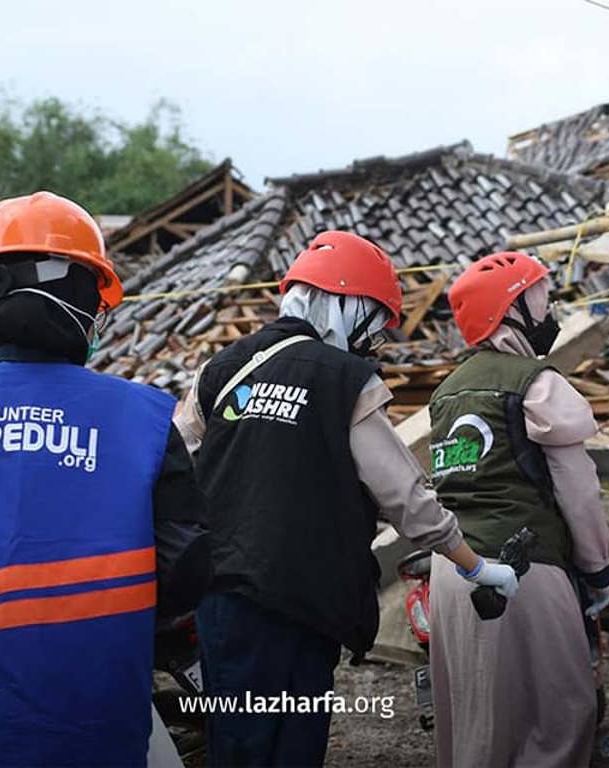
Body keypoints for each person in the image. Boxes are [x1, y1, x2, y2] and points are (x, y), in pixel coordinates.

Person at [0, 191, 210, 767]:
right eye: (96, 299)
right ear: (73, 290)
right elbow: (188, 565)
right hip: (89, 724)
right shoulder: (142, 421)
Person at [174, 231, 513, 767]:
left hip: (222, 597)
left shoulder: (223, 368)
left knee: (235, 743)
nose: (373, 343)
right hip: (304, 603)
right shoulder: (345, 379)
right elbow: (405, 496)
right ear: (345, 303)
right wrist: (473, 566)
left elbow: (176, 460)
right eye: (373, 325)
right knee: (291, 745)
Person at [428, 252, 609, 768]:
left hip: (452, 569)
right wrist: (599, 570)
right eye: (540, 299)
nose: (550, 310)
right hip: (524, 569)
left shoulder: (445, 394)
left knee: (474, 718)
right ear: (510, 311)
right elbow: (579, 490)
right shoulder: (537, 382)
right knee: (558, 715)